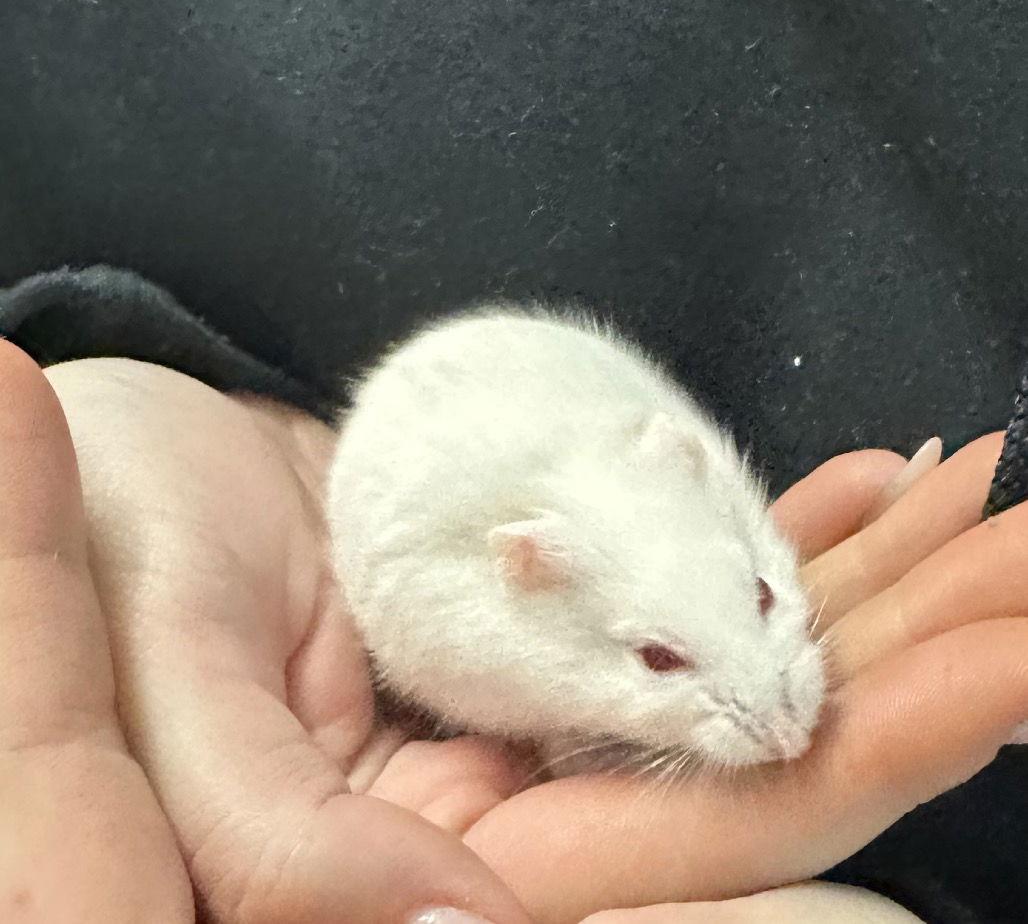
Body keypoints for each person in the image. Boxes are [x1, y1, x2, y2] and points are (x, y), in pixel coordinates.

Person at [3, 337, 1027, 923]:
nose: (781, 713)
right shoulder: (488, 592)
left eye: (763, 599)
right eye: (660, 658)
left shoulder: (673, 467)